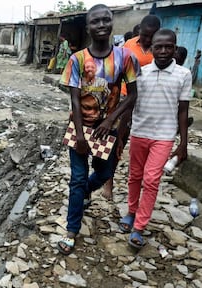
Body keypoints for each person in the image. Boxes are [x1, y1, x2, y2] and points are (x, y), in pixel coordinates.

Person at [57, 4, 140, 255]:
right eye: (96, 21)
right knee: (77, 179)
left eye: (106, 20)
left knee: (104, 173)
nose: (101, 24)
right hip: (80, 127)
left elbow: (132, 95)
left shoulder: (125, 57)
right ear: (88, 27)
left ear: (112, 23)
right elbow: (74, 99)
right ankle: (72, 230)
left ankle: (85, 193)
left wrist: (109, 120)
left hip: (108, 130)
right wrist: (80, 135)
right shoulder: (77, 59)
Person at [119, 29, 192, 249]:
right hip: (140, 132)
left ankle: (139, 226)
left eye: (168, 47)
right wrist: (121, 134)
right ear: (151, 49)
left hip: (164, 136)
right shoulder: (140, 72)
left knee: (151, 181)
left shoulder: (183, 74)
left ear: (174, 48)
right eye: (158, 47)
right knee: (135, 176)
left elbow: (183, 111)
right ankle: (131, 212)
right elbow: (130, 105)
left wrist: (183, 143)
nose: (163, 51)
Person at [102, 15, 161, 200]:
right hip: (126, 99)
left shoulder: (160, 49)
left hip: (148, 103)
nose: (146, 40)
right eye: (144, 35)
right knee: (117, 138)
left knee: (139, 142)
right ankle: (108, 180)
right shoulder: (129, 45)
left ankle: (140, 182)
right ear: (139, 31)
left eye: (151, 36)